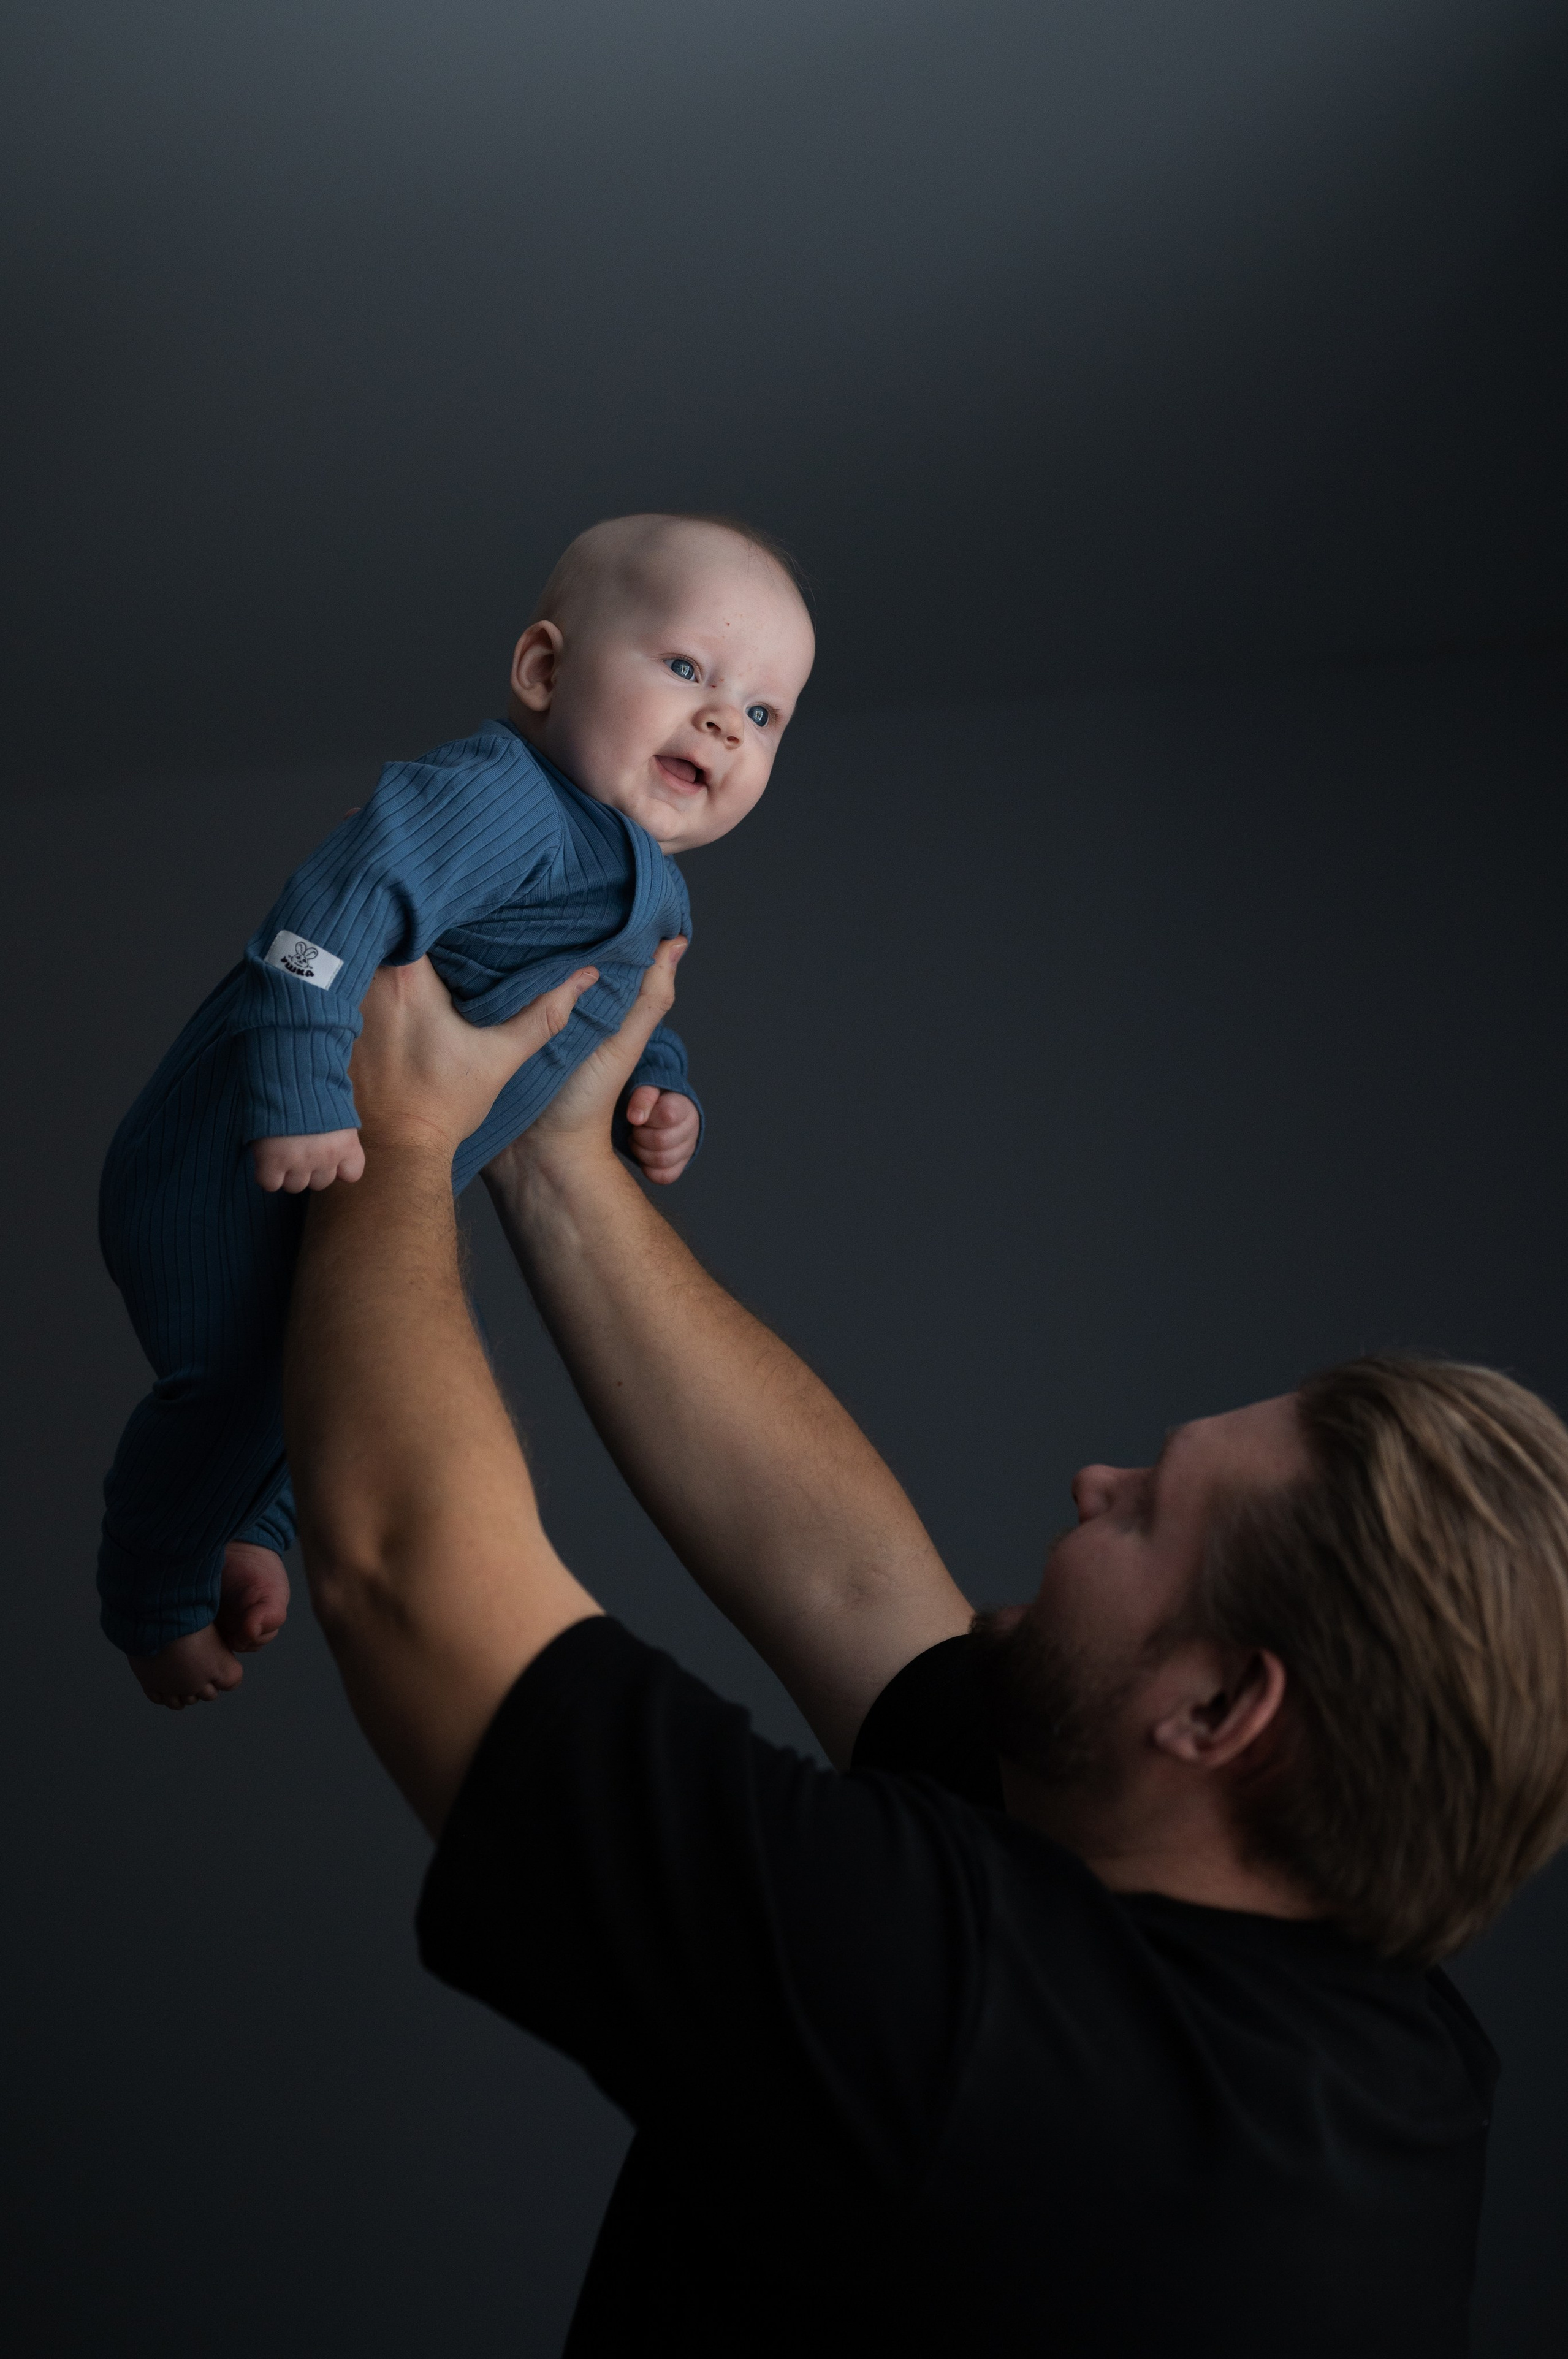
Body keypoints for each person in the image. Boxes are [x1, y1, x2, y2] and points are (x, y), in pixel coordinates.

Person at [284, 945, 1568, 2358]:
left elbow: (408, 1573)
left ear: (1215, 1709)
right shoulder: (1377, 2043)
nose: (1092, 1480)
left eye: (1146, 1510)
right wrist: (553, 1153)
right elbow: (847, 1584)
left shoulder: (967, 2040)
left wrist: (396, 1138)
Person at [95, 512, 815, 1709]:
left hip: (331, 1184)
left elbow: (608, 1004)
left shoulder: (652, 888)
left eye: (763, 712)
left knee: (321, 1367)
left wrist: (659, 1088)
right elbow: (327, 915)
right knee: (231, 1384)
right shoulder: (503, 800)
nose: (721, 720)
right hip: (225, 1165)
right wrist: (300, 1093)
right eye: (687, 668)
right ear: (544, 670)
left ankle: (246, 1527)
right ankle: (151, 1597)